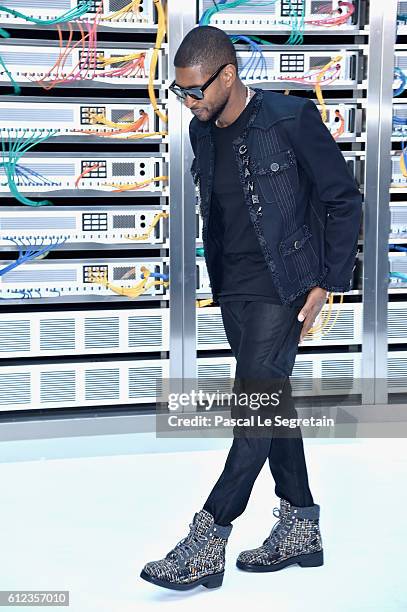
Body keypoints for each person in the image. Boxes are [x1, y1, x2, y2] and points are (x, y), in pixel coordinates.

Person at [140, 26, 363, 591]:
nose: (190, 103)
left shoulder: (289, 121)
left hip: (284, 287)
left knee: (255, 412)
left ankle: (208, 537)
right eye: (181, 91)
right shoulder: (201, 131)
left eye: (196, 91)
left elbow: (343, 199)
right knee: (272, 404)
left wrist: (327, 284)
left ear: (228, 75)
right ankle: (301, 528)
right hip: (234, 288)